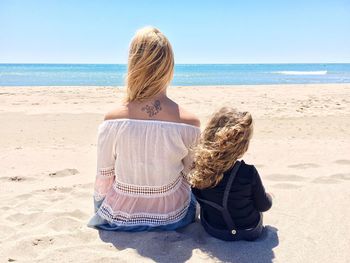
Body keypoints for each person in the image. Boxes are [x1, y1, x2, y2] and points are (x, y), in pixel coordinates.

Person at [88, 26, 200, 231]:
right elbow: (192, 176)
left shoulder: (113, 119)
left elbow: (104, 177)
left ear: (133, 66)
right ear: (169, 68)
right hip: (173, 217)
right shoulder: (190, 122)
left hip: (122, 216)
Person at [189, 107, 272, 241]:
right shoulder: (247, 172)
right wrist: (268, 197)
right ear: (242, 146)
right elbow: (264, 206)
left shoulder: (197, 167)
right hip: (248, 230)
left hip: (213, 229)